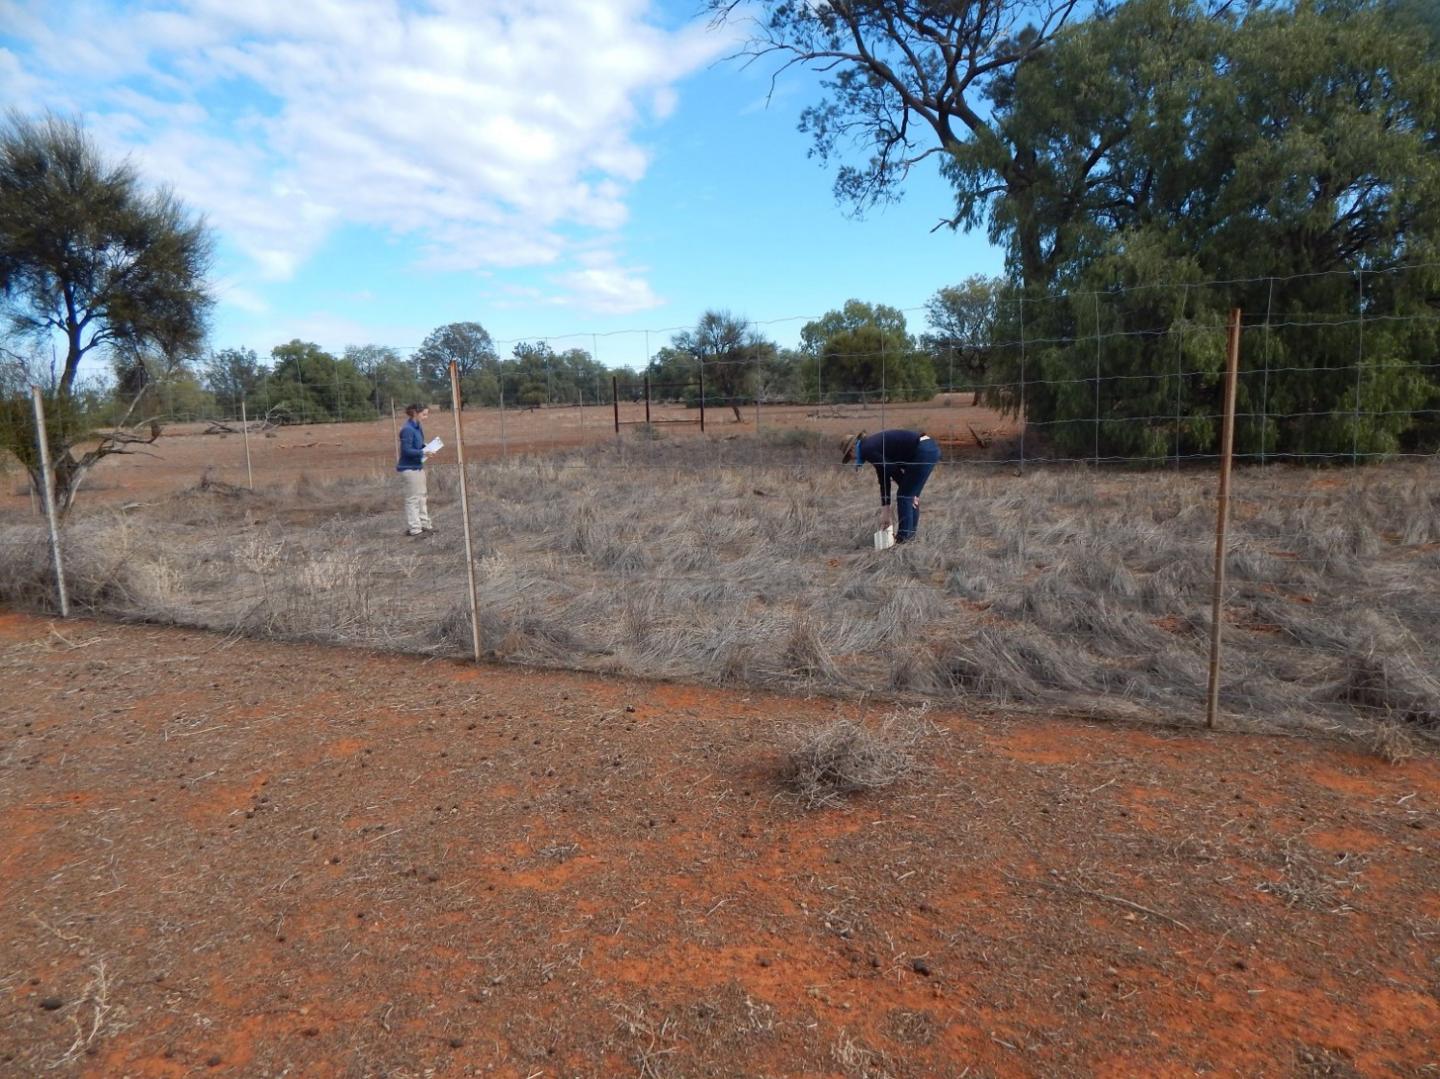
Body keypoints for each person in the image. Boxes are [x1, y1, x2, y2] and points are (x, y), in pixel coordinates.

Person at [842, 429, 941, 544]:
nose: (852, 459)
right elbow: (884, 477)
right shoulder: (870, 446)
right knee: (909, 496)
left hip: (923, 451)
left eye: (850, 456)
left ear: (853, 448)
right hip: (928, 449)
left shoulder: (866, 449)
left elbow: (891, 469)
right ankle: (910, 538)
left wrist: (905, 487)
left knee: (904, 496)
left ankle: (904, 540)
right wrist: (886, 512)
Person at [396, 403, 436, 537]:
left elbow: (418, 445)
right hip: (409, 468)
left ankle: (424, 525)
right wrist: (422, 453)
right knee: (413, 499)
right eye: (424, 414)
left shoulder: (418, 427)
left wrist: (426, 447)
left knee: (422, 497)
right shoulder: (407, 429)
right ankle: (415, 529)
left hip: (418, 466)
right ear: (415, 413)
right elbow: (406, 450)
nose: (426, 417)